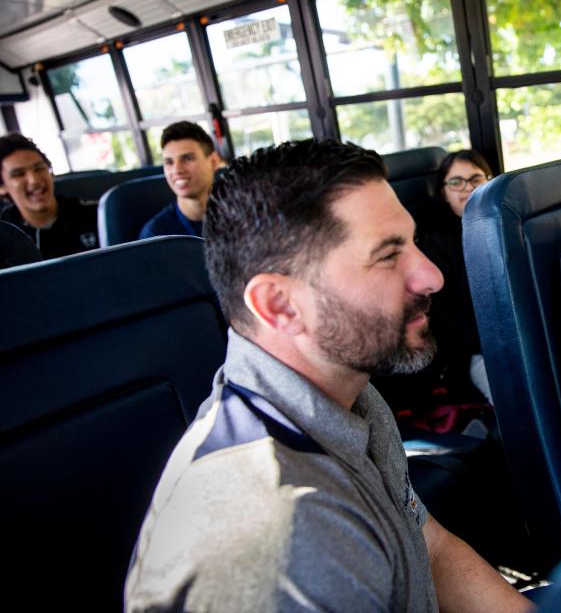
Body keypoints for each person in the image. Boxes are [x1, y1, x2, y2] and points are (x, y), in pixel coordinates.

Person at [125, 138, 532, 613]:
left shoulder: (349, 389)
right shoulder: (276, 537)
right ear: (280, 306)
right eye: (387, 255)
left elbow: (431, 548)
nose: (431, 277)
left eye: (413, 242)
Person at [416, 150, 494, 403]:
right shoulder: (436, 241)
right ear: (443, 191)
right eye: (455, 182)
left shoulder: (505, 225)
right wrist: (496, 339)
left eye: (475, 179)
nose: (466, 188)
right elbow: (443, 318)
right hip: (474, 352)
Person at [0, 133, 98, 259]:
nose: (34, 180)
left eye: (39, 168)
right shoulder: (4, 235)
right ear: (2, 187)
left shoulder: (95, 214)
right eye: (19, 174)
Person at [139, 121, 221, 239]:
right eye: (169, 162)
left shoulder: (242, 215)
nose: (177, 170)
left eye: (188, 159)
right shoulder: (155, 235)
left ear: (213, 162)